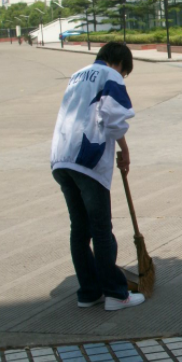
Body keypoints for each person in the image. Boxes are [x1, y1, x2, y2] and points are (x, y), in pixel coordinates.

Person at [51, 42, 145, 312]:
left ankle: (88, 292)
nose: (122, 76)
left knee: (80, 230)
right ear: (118, 63)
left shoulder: (77, 75)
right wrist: (125, 149)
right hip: (87, 160)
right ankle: (116, 293)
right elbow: (113, 117)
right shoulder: (110, 75)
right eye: (124, 72)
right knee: (102, 230)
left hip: (61, 158)